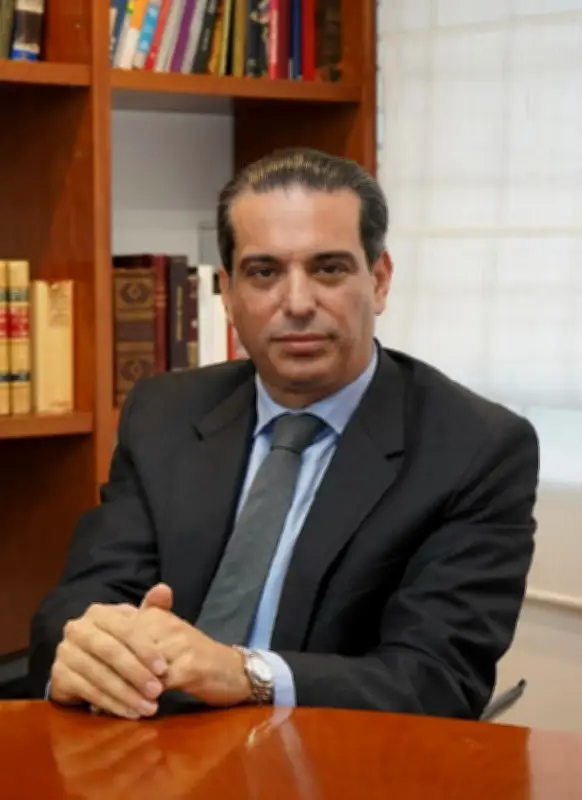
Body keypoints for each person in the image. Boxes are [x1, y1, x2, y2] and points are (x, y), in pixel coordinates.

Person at [28, 147, 539, 721]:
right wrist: (87, 652)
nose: (297, 304)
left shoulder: (476, 449)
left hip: (329, 758)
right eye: (264, 273)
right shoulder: (163, 413)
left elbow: (435, 679)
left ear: (379, 281)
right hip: (152, 746)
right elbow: (78, 604)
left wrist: (246, 674)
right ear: (228, 293)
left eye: (329, 269)